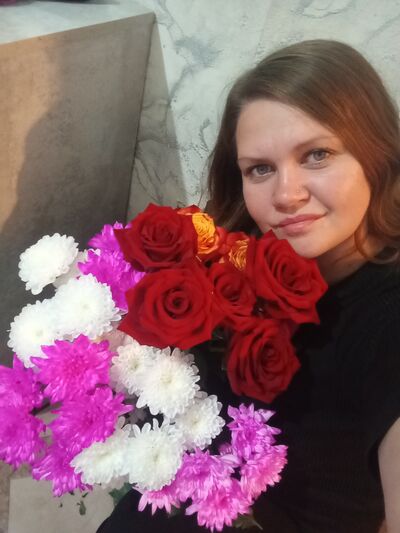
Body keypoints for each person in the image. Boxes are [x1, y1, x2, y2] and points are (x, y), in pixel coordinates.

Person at [97, 39, 400, 533]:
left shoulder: (387, 320)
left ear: (377, 156)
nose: (287, 194)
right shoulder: (234, 259)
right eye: (260, 168)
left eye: (317, 154)